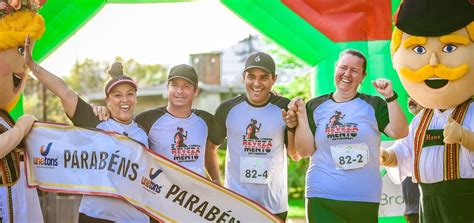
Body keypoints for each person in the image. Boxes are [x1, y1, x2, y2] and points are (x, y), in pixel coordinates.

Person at [24, 39, 150, 222]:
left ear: (136, 98)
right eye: (117, 95)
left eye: (130, 94)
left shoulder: (144, 131)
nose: (125, 99)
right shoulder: (94, 121)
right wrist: (32, 65)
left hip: (134, 219)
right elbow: (64, 91)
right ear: (107, 100)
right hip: (96, 216)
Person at [289, 49, 408, 222]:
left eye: (354, 70)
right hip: (322, 194)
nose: (347, 74)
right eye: (343, 67)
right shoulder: (315, 106)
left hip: (363, 197)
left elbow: (400, 132)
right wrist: (300, 115)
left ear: (363, 76)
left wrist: (390, 97)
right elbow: (305, 151)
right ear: (335, 68)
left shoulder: (373, 104)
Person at [381, 0, 474, 221]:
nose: (433, 61)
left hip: (464, 197)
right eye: (420, 50)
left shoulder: (471, 111)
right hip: (427, 198)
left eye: (450, 48)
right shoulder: (422, 118)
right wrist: (389, 157)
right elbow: (406, 150)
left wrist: (464, 137)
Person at [214, 52, 300, 221]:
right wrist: (216, 180)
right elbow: (211, 147)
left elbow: (295, 155)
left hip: (273, 206)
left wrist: (291, 126)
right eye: (251, 76)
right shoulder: (227, 109)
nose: (257, 83)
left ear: (274, 79)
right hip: (235, 203)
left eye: (264, 77)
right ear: (243, 78)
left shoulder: (284, 107)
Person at [135, 64, 222, 184]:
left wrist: (216, 179)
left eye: (186, 86)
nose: (179, 91)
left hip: (198, 196)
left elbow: (209, 149)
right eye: (174, 85)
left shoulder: (205, 120)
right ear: (167, 87)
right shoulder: (147, 119)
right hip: (163, 195)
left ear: (196, 91)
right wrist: (105, 112)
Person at [0, 1, 46, 222]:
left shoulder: (4, 116)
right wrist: (21, 127)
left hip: (17, 200)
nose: (23, 69)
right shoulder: (15, 122)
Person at [402, 96, 423, 223]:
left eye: (417, 96)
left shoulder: (446, 124)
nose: (411, 99)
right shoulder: (408, 130)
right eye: (409, 96)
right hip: (413, 209)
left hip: (437, 204)